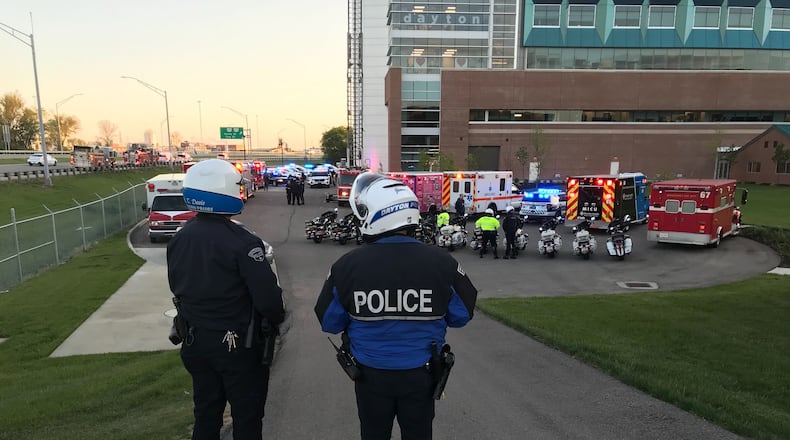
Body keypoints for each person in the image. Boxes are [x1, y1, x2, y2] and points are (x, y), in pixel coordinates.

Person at [314, 172, 478, 440]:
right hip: (421, 374)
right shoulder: (443, 263)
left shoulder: (346, 266)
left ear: (374, 215)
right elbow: (461, 315)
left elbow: (329, 321)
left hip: (370, 375)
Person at [167, 159, 285, 440]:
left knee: (206, 414)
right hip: (237, 347)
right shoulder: (243, 242)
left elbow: (177, 287)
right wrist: (276, 320)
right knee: (247, 417)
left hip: (195, 343)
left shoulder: (180, 238)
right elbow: (268, 300)